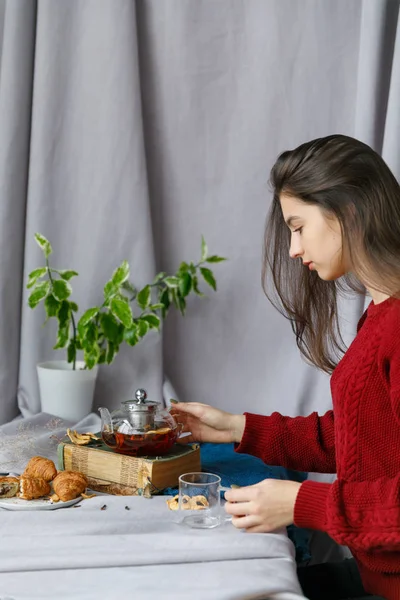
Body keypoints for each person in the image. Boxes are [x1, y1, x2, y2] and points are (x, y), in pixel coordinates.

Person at [170, 135, 400, 600]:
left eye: (298, 226)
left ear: (349, 211)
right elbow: (362, 441)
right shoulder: (381, 315)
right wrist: (237, 428)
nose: (293, 249)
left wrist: (301, 503)